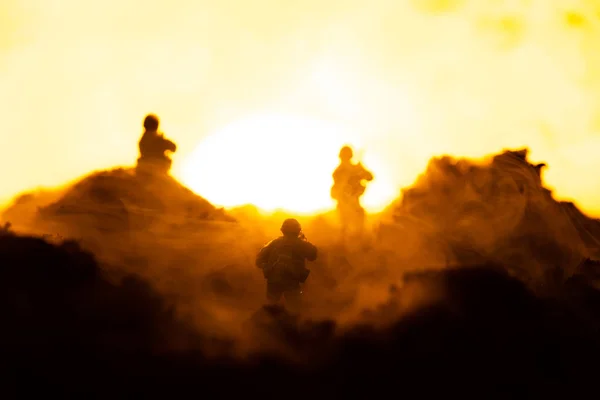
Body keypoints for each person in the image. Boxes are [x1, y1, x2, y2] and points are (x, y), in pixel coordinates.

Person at [255, 218, 318, 311]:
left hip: (274, 280)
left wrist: (267, 267)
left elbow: (259, 260)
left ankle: (265, 322)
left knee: (270, 306)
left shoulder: (274, 243)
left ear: (283, 230)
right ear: (298, 230)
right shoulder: (301, 244)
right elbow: (313, 256)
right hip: (292, 280)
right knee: (295, 308)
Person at [330, 145, 373, 241]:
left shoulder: (354, 169)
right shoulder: (338, 171)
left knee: (358, 229)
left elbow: (370, 177)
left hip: (354, 203)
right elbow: (338, 187)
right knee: (345, 228)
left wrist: (360, 170)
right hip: (344, 203)